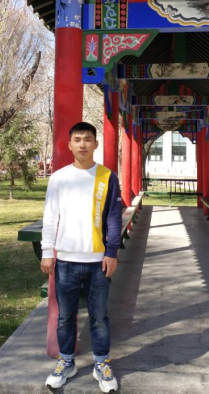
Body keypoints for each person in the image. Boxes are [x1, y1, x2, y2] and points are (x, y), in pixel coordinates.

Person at [41, 122, 122, 392]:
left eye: (88, 139)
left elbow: (113, 218)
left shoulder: (107, 177)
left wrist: (111, 252)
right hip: (65, 261)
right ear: (70, 145)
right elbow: (50, 217)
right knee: (66, 316)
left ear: (96, 144)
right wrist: (47, 252)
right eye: (77, 139)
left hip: (98, 261)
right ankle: (66, 362)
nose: (83, 144)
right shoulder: (59, 178)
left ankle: (101, 363)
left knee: (99, 317)